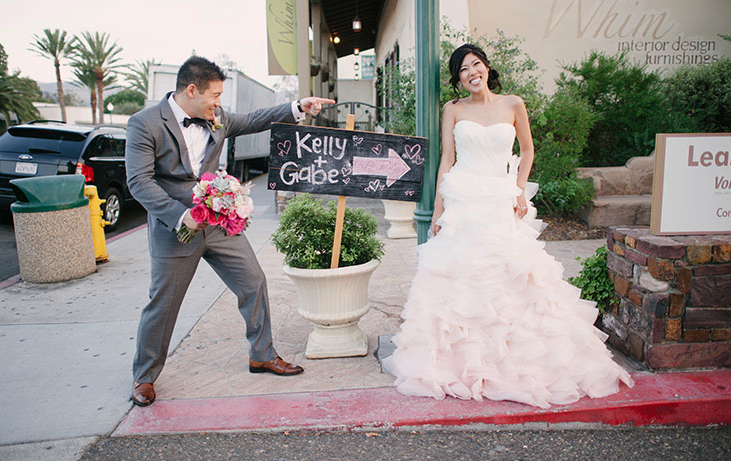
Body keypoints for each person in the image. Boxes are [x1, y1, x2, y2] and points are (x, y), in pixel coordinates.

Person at [383, 44, 634, 408]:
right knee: (463, 281)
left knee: (513, 277)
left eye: (476, 65)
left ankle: (517, 359)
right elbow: (447, 159)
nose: (472, 72)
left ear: (487, 68)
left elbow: (528, 150)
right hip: (465, 200)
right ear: (458, 79)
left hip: (500, 197)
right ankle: (465, 361)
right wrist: (438, 208)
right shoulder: (453, 110)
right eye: (464, 69)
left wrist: (518, 189)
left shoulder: (513, 104)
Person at [126, 55, 334, 407]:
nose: (219, 104)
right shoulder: (144, 124)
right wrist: (181, 216)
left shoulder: (217, 118)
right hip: (175, 228)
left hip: (219, 224)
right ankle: (144, 377)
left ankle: (262, 354)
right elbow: (139, 182)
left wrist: (298, 107)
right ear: (191, 90)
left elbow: (253, 120)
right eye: (215, 95)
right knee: (163, 303)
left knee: (253, 282)